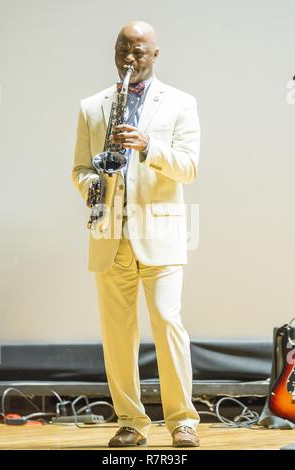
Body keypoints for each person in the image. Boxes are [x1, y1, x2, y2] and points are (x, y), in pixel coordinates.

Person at [72, 20, 201, 447]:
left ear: (155, 55)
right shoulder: (93, 107)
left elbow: (189, 168)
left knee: (167, 323)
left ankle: (182, 420)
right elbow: (80, 169)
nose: (130, 57)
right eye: (123, 48)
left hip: (160, 236)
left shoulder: (181, 103)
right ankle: (130, 421)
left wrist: (148, 146)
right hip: (110, 236)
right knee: (117, 335)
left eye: (139, 51)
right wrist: (91, 183)